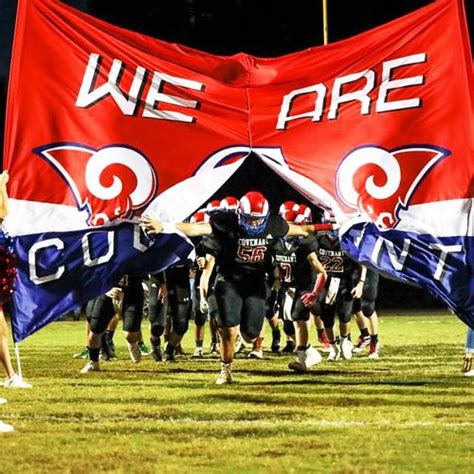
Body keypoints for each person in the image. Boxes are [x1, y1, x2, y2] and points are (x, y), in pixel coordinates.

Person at [140, 191, 338, 385]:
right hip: (229, 283)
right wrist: (164, 226)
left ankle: (238, 335)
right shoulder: (227, 222)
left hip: (256, 284)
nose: (253, 223)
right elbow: (196, 229)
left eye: (257, 219)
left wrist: (338, 224)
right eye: (250, 218)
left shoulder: (272, 224)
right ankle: (226, 369)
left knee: (250, 334)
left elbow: (305, 230)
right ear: (240, 214)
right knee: (229, 329)